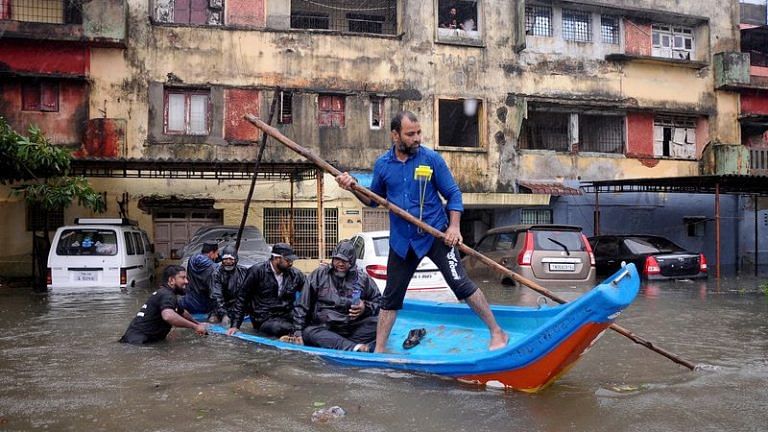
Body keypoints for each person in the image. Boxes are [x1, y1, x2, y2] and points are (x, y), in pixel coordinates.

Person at [336, 110, 508, 353]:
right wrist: (352, 186)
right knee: (390, 298)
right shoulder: (383, 165)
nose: (417, 138)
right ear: (395, 135)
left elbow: (453, 195)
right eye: (410, 134)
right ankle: (380, 350)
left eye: (418, 133)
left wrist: (454, 227)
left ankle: (497, 332)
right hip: (402, 242)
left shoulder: (431, 159)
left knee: (462, 285)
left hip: (435, 235)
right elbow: (373, 200)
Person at [291, 240, 381, 352]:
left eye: (345, 261)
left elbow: (379, 303)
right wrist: (298, 331)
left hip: (351, 327)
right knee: (309, 332)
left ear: (352, 262)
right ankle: (352, 347)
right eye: (337, 259)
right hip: (324, 328)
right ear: (333, 259)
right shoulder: (319, 275)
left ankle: (344, 344)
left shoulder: (363, 279)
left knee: (379, 322)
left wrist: (365, 307)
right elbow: (302, 305)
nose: (340, 264)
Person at [119, 265, 207, 344]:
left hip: (133, 341)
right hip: (138, 344)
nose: (186, 281)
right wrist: (195, 327)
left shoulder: (165, 293)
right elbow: (168, 316)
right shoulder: (167, 295)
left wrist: (198, 323)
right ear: (171, 280)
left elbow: (182, 312)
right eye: (183, 278)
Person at [232, 243, 305, 337]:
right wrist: (235, 325)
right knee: (279, 328)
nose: (291, 263)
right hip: (263, 318)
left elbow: (308, 295)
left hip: (286, 315)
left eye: (291, 260)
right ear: (276, 258)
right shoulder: (257, 271)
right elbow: (242, 298)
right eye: (288, 260)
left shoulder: (295, 274)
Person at [210, 245, 248, 336]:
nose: (228, 261)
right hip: (221, 308)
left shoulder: (243, 271)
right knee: (213, 321)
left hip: (239, 308)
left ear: (236, 259)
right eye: (225, 259)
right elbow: (216, 296)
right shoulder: (216, 273)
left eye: (231, 259)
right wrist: (224, 314)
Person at [179, 240, 218, 316]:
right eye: (216, 253)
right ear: (211, 253)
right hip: (204, 305)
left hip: (188, 301)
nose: (217, 256)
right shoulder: (213, 267)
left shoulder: (191, 259)